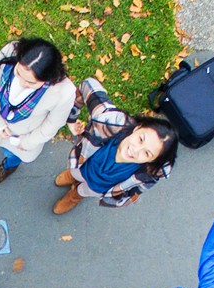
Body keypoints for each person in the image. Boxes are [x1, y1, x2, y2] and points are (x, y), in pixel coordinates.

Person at [53, 76, 178, 215]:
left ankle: (74, 197)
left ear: (152, 160)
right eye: (141, 139)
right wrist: (72, 118)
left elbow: (140, 188)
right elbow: (88, 85)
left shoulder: (152, 171)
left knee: (85, 191)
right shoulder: (111, 122)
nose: (136, 150)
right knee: (77, 173)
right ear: (138, 128)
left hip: (100, 187)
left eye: (147, 153)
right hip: (83, 164)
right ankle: (72, 176)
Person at [0, 37, 78, 186]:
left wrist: (26, 142)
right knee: (4, 147)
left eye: (31, 83)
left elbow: (53, 124)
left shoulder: (64, 92)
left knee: (13, 154)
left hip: (24, 137)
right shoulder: (10, 51)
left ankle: (8, 166)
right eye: (18, 73)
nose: (21, 83)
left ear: (48, 79)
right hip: (0, 124)